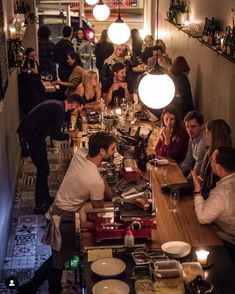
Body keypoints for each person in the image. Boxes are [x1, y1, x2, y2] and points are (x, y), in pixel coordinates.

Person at [18, 132, 116, 294]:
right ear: (102, 151)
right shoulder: (94, 180)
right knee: (60, 263)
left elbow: (98, 177)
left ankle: (32, 285)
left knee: (58, 255)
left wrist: (107, 191)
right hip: (65, 220)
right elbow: (96, 213)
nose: (114, 152)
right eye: (112, 149)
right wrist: (111, 200)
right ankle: (49, 289)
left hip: (56, 210)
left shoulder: (80, 155)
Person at [17, 94, 85, 215]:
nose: (77, 111)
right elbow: (56, 135)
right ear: (74, 104)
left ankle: (46, 198)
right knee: (43, 169)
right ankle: (39, 205)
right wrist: (70, 135)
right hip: (32, 136)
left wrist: (68, 133)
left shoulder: (57, 105)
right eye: (78, 108)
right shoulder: (59, 110)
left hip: (35, 134)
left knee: (44, 168)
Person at [192, 145, 235, 262]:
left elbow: (202, 218)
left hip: (230, 241)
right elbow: (211, 206)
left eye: (211, 160)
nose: (210, 162)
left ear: (219, 167)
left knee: (194, 233)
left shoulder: (221, 192)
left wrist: (197, 191)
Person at [199, 119, 232, 199]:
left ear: (215, 135)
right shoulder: (209, 151)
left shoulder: (223, 157)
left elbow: (213, 187)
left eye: (207, 133)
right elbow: (203, 179)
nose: (205, 136)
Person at [180, 111, 207, 180]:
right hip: (195, 175)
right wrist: (177, 173)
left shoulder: (204, 141)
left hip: (203, 180)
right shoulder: (193, 136)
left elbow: (197, 171)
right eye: (187, 127)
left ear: (202, 126)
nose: (189, 130)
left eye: (193, 126)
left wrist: (184, 181)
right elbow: (188, 161)